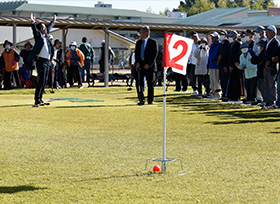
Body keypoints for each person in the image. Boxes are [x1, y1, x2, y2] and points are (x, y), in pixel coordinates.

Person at [27, 13, 56, 106]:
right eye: (43, 27)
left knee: (45, 81)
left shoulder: (46, 37)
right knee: (41, 80)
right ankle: (37, 99)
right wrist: (33, 22)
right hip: (41, 61)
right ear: (40, 29)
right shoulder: (39, 36)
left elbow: (50, 27)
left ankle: (40, 98)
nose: (45, 28)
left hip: (47, 61)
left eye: (45, 27)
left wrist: (53, 21)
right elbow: (34, 30)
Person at [135, 26, 158, 106]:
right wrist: (137, 62)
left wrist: (149, 64)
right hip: (141, 66)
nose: (140, 34)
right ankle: (141, 99)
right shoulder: (138, 43)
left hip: (150, 66)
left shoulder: (153, 42)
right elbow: (137, 54)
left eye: (141, 32)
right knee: (139, 83)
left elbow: (154, 54)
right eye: (140, 32)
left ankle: (150, 100)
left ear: (146, 33)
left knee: (150, 83)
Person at [261, 25, 279, 108]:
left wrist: (270, 60)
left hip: (271, 66)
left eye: (268, 31)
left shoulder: (275, 42)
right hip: (265, 66)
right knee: (265, 84)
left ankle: (272, 100)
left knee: (271, 83)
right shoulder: (266, 42)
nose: (266, 33)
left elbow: (274, 54)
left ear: (273, 33)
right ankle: (267, 100)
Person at [251, 40, 266, 105]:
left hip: (263, 73)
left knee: (264, 87)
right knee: (260, 87)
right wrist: (253, 56)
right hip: (259, 73)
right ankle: (262, 99)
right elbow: (255, 61)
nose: (259, 48)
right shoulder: (260, 54)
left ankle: (265, 99)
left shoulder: (264, 54)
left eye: (260, 46)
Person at [228, 30, 242, 101]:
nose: (229, 38)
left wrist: (233, 65)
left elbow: (237, 56)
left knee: (236, 82)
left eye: (231, 36)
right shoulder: (230, 45)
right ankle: (231, 96)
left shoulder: (238, 44)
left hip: (236, 66)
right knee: (231, 82)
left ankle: (236, 96)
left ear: (235, 37)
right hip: (231, 66)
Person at [217, 30, 231, 100]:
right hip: (221, 65)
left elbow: (225, 55)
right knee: (222, 81)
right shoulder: (220, 44)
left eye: (222, 34)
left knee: (226, 80)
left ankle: (227, 94)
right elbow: (219, 54)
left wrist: (226, 65)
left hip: (226, 65)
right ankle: (223, 94)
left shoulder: (227, 44)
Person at [208, 31, 221, 99]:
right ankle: (213, 93)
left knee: (216, 80)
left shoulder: (219, 44)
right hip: (211, 65)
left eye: (213, 37)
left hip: (216, 65)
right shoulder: (212, 45)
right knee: (212, 80)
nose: (212, 39)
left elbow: (216, 55)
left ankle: (218, 94)